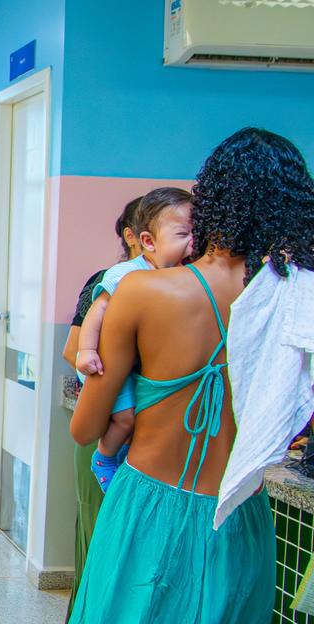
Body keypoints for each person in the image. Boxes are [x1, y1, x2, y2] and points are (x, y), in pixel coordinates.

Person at [25, 127, 314, 624]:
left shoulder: (147, 292)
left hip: (150, 510)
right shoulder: (290, 304)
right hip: (238, 520)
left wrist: (112, 390)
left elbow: (86, 427)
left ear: (214, 197)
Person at [74, 187, 194, 490]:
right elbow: (96, 311)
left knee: (137, 421)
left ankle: (121, 457)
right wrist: (86, 350)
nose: (192, 244)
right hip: (100, 362)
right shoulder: (126, 274)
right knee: (125, 420)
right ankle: (103, 458)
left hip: (130, 366)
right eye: (182, 235)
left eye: (198, 233)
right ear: (147, 241)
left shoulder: (175, 278)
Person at [60, 195, 143, 621]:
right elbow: (73, 350)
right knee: (98, 544)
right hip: (106, 422)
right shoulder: (109, 282)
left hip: (151, 437)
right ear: (134, 236)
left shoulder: (183, 283)